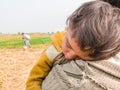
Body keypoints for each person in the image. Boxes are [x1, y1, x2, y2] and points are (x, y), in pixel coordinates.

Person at [26, 0, 120, 90]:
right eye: (68, 45)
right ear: (68, 27)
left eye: (79, 57)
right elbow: (34, 79)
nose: (68, 56)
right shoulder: (52, 51)